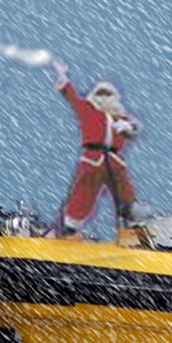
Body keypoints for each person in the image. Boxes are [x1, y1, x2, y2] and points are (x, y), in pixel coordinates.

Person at [52, 59, 140, 235]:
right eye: (101, 93)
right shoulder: (87, 110)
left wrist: (128, 127)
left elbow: (135, 128)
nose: (105, 97)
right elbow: (72, 97)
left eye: (108, 94)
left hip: (114, 160)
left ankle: (129, 218)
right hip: (92, 157)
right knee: (84, 191)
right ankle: (71, 225)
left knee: (123, 188)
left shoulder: (120, 117)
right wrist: (63, 76)